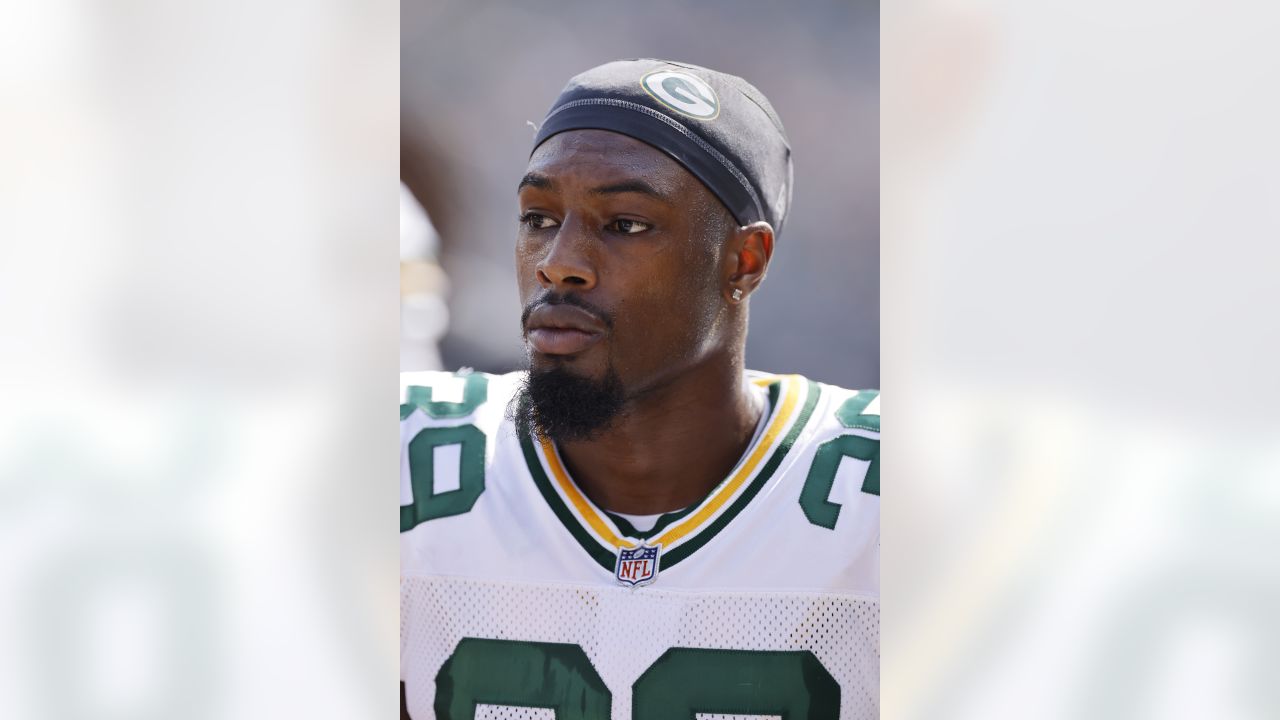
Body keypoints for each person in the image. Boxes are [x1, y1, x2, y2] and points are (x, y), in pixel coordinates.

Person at [400, 59, 879, 719]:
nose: (558, 264)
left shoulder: (880, 498)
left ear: (745, 261)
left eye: (624, 224)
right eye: (538, 217)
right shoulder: (405, 462)